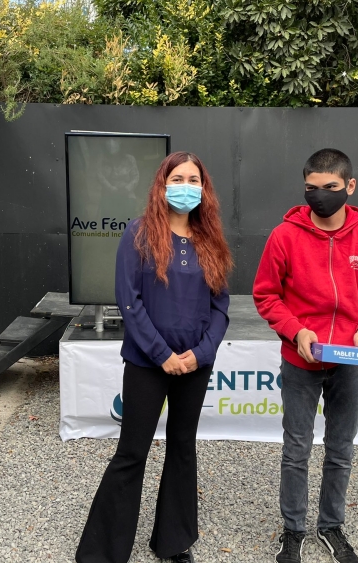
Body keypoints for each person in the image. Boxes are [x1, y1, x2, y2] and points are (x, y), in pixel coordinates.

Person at [76, 151, 233, 563]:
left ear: (204, 187)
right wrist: (162, 354)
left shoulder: (211, 239)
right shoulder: (140, 233)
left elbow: (221, 306)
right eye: (177, 178)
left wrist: (200, 354)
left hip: (195, 365)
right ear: (163, 186)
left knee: (182, 447)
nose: (186, 186)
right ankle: (103, 552)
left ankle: (173, 542)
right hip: (149, 363)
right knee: (132, 452)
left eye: (193, 179)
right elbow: (129, 301)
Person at [254, 149, 358, 563]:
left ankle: (332, 526)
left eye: (331, 188)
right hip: (301, 361)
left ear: (349, 187)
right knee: (296, 448)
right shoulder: (285, 236)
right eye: (312, 189)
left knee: (340, 448)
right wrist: (295, 329)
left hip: (349, 360)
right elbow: (266, 294)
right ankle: (293, 530)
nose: (321, 196)